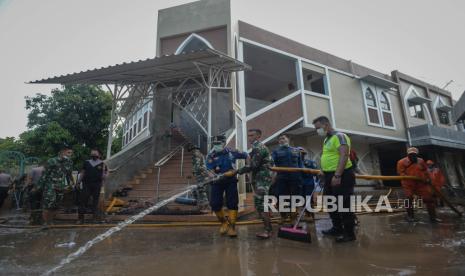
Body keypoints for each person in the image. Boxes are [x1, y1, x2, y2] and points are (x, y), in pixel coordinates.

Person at [313, 116, 356, 243]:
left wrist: (337, 175)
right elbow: (329, 156)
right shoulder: (327, 139)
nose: (317, 131)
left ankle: (349, 233)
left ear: (326, 124)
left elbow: (344, 155)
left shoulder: (340, 136)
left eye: (318, 128)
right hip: (328, 174)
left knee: (343, 204)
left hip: (342, 175)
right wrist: (323, 170)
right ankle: (337, 228)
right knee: (330, 202)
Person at [207, 135, 247, 237]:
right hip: (217, 182)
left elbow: (247, 155)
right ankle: (224, 223)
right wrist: (214, 176)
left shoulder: (232, 152)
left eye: (218, 144)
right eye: (214, 144)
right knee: (215, 204)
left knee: (232, 203)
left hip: (231, 181)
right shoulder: (210, 156)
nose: (216, 146)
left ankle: (232, 227)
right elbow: (209, 170)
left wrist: (247, 167)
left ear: (224, 143)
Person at [237, 129, 274, 239]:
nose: (249, 138)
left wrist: (237, 171)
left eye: (252, 135)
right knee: (262, 205)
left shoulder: (258, 147)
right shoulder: (258, 147)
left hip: (261, 180)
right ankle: (268, 229)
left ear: (258, 136)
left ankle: (268, 231)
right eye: (248, 136)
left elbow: (253, 165)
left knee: (261, 205)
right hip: (262, 179)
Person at [396, 147, 438, 223]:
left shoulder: (420, 161)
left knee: (429, 199)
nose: (412, 156)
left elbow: (425, 170)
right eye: (410, 155)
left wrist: (428, 178)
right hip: (408, 183)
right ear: (408, 155)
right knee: (409, 199)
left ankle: (433, 218)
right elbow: (400, 173)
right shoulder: (401, 162)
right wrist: (408, 177)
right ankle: (410, 217)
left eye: (414, 155)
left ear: (417, 154)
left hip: (420, 183)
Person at [36, 144, 75, 226]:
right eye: (68, 153)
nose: (70, 155)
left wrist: (72, 183)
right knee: (48, 204)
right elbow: (44, 175)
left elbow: (69, 174)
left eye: (71, 153)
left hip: (60, 186)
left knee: (56, 205)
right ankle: (45, 223)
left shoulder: (69, 162)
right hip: (50, 186)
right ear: (62, 152)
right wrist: (38, 187)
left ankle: (51, 221)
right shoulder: (51, 161)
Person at [271, 133, 302, 224]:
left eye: (283, 138)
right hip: (282, 178)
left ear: (288, 139)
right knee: (281, 197)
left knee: (295, 197)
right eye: (280, 139)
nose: (281, 140)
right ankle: (283, 217)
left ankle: (293, 218)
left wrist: (302, 176)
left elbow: (301, 165)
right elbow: (271, 163)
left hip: (295, 178)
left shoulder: (296, 151)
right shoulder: (275, 152)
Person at [77, 149, 108, 224]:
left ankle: (94, 218)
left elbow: (106, 173)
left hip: (97, 185)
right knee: (83, 200)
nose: (94, 154)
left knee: (95, 202)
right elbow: (83, 172)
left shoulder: (103, 164)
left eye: (95, 153)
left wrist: (105, 176)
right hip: (86, 184)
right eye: (92, 153)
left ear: (99, 155)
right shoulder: (87, 162)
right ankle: (81, 219)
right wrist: (78, 182)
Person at [189, 144, 212, 212]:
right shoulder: (199, 154)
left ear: (194, 149)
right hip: (201, 175)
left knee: (202, 191)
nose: (192, 152)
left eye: (192, 150)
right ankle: (202, 206)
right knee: (200, 190)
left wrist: (194, 171)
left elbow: (198, 166)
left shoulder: (196, 155)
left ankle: (206, 207)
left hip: (201, 175)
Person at [298, 147, 317, 222]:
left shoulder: (310, 162)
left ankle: (310, 215)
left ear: (304, 154)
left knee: (309, 199)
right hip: (299, 184)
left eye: (301, 153)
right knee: (301, 200)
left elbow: (316, 172)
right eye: (298, 153)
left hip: (308, 183)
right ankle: (305, 214)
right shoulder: (295, 164)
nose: (299, 155)